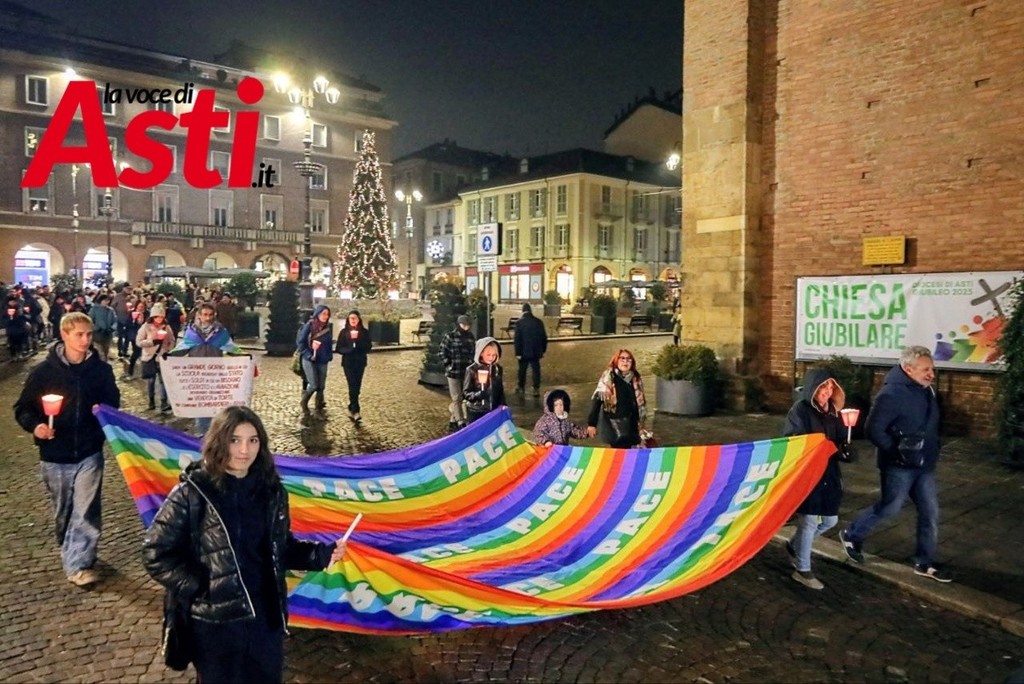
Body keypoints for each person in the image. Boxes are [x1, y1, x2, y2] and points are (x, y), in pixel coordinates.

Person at [142, 406, 346, 682]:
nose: (244, 450)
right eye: (235, 440)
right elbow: (155, 553)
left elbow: (281, 547)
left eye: (253, 440)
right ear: (219, 442)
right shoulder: (193, 491)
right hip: (216, 624)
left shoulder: (272, 491)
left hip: (265, 619)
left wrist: (319, 554)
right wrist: (200, 585)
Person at [14, 312, 120, 586]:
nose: (85, 340)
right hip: (54, 454)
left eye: (89, 334)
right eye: (79, 335)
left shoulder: (101, 371)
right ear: (64, 335)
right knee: (64, 511)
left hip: (89, 450)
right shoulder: (44, 372)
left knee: (86, 509)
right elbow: (23, 408)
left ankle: (80, 564)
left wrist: (102, 412)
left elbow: (113, 403)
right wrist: (36, 426)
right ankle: (70, 545)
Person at [840, 346, 951, 582]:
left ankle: (924, 562)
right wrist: (896, 451)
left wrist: (932, 448)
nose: (931, 374)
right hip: (898, 466)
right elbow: (873, 429)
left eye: (932, 369)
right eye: (926, 369)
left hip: (924, 464)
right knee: (890, 506)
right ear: (908, 369)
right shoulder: (890, 395)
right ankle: (852, 534)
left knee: (930, 511)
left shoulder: (927, 390)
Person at [782, 368, 854, 590]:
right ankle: (803, 569)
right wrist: (815, 447)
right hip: (809, 473)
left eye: (831, 386)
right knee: (809, 520)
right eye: (823, 386)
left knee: (830, 520)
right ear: (813, 388)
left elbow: (839, 439)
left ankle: (795, 545)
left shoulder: (833, 412)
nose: (827, 391)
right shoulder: (800, 410)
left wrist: (846, 450)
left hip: (829, 473)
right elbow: (792, 440)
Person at [168, 302, 242, 435]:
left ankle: (215, 434)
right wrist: (169, 356)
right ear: (199, 315)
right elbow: (183, 348)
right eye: (205, 315)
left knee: (215, 406)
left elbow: (230, 347)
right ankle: (203, 435)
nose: (208, 318)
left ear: (214, 315)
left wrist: (244, 356)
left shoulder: (220, 332)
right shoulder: (192, 332)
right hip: (197, 376)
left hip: (215, 375)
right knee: (201, 407)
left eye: (210, 315)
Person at [586, 349, 647, 448]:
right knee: (620, 453)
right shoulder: (608, 377)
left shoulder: (636, 378)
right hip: (614, 425)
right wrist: (591, 424)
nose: (625, 361)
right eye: (622, 358)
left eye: (629, 359)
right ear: (616, 360)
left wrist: (641, 425)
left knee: (630, 453)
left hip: (632, 425)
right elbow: (597, 400)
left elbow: (640, 403)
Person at [137, 302, 177, 413]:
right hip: (150, 357)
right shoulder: (146, 326)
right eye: (157, 316)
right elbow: (139, 342)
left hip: (162, 357)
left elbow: (172, 340)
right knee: (151, 380)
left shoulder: (166, 327)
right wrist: (152, 342)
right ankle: (151, 401)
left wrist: (168, 350)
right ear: (152, 316)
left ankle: (164, 402)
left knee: (163, 381)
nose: (159, 319)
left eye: (161, 316)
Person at [334, 310, 372, 423]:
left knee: (357, 385)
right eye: (351, 318)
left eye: (355, 318)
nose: (353, 320)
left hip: (360, 362)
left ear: (359, 319)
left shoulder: (364, 332)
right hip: (348, 363)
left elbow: (368, 347)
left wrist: (358, 344)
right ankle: (356, 410)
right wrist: (349, 349)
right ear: (348, 320)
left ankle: (352, 405)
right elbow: (339, 348)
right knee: (352, 385)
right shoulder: (344, 332)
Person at [439, 314, 476, 431]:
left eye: (468, 325)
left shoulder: (470, 337)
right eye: (463, 325)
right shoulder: (450, 336)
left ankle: (453, 420)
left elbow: (473, 352)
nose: (466, 327)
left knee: (464, 396)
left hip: (466, 372)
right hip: (453, 372)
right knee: (457, 397)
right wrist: (448, 364)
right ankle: (460, 421)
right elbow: (442, 351)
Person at [296, 305, 334, 416]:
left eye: (327, 314)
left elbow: (328, 344)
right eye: (323, 314)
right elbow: (301, 343)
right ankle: (304, 402)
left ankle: (318, 409)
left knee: (321, 386)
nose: (325, 316)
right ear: (317, 314)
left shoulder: (327, 328)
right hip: (309, 359)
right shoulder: (309, 326)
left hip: (322, 360)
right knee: (313, 385)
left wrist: (328, 355)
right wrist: (308, 354)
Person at [463, 336, 506, 423]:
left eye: (494, 355)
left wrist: (503, 404)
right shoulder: (472, 370)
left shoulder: (497, 369)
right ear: (481, 353)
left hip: (493, 410)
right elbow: (466, 393)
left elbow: (500, 390)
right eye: (488, 355)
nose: (491, 358)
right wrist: (479, 395)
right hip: (476, 411)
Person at [513, 302, 548, 397]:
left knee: (522, 370)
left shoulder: (519, 323)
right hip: (536, 351)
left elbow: (517, 339)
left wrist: (517, 352)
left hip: (523, 351)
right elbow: (544, 337)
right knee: (536, 370)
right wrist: (543, 349)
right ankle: (536, 389)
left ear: (523, 311)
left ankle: (521, 387)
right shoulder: (538, 322)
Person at [88, 293, 117, 361]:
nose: (107, 302)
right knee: (99, 352)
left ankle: (104, 363)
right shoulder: (94, 309)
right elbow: (90, 320)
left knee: (106, 350)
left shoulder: (110, 310)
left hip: (107, 334)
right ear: (100, 300)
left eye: (108, 300)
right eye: (105, 300)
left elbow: (115, 320)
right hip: (97, 334)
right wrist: (96, 328)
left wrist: (112, 328)